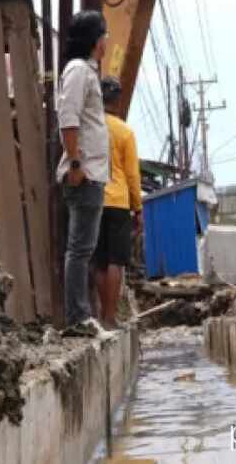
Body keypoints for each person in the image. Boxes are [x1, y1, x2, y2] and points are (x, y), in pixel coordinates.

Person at [57, 10, 110, 334]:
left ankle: (80, 315)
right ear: (94, 40)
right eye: (103, 35)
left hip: (92, 171)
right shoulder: (78, 71)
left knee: (83, 248)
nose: (107, 42)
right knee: (79, 249)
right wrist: (76, 163)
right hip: (85, 172)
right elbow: (68, 117)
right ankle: (77, 318)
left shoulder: (86, 72)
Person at [92, 76, 142, 327]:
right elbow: (133, 175)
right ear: (117, 100)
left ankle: (102, 316)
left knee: (100, 261)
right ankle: (111, 317)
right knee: (115, 261)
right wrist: (138, 208)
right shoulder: (124, 132)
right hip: (119, 202)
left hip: (94, 200)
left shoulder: (88, 128)